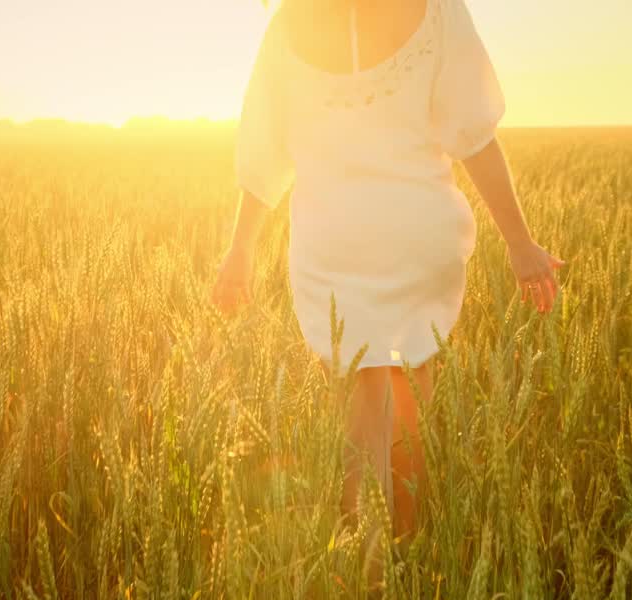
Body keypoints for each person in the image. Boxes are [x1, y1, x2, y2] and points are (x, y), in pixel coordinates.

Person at [212, 0, 565, 541]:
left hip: (333, 247)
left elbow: (263, 154)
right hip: (415, 238)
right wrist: (520, 243)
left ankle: (366, 588)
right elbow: (474, 136)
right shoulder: (433, 9)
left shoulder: (290, 24)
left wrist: (241, 249)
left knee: (360, 415)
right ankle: (406, 563)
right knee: (408, 404)